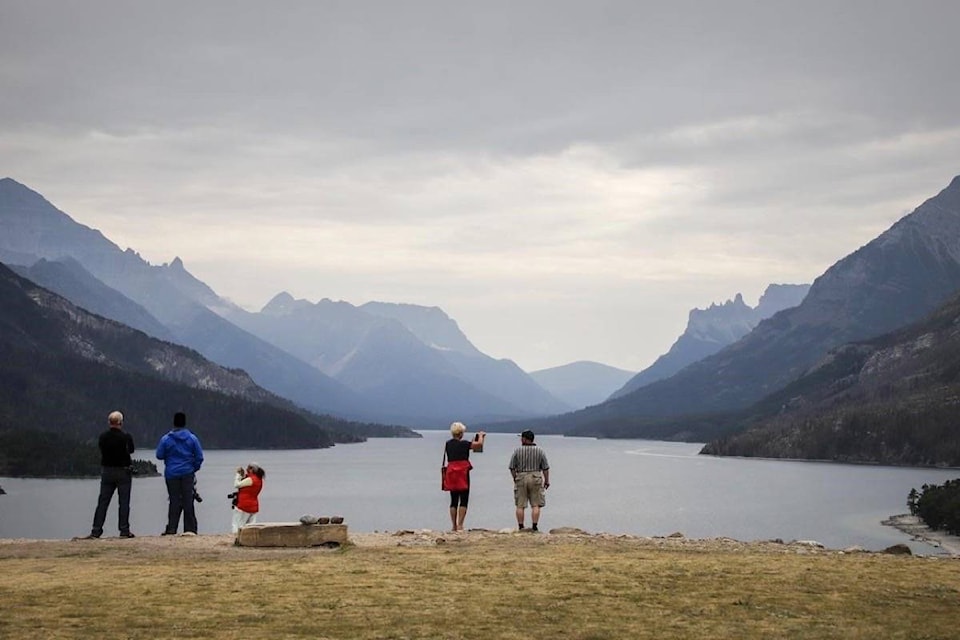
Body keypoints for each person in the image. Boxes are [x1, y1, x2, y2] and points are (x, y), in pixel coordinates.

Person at [83, 411, 135, 539]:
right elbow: (132, 450)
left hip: (107, 471)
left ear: (109, 422)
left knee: (103, 502)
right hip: (123, 471)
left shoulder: (103, 437)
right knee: (123, 502)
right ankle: (124, 530)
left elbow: (101, 448)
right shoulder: (126, 437)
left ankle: (96, 530)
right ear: (121, 423)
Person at [156, 411, 204, 535]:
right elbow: (199, 457)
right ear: (184, 423)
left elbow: (159, 455)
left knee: (174, 501)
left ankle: (172, 528)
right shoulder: (192, 438)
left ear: (174, 423)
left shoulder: (166, 439)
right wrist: (194, 468)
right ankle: (190, 529)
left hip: (171, 474)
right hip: (187, 473)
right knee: (188, 501)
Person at [443, 421, 485, 532]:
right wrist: (480, 436)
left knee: (453, 500)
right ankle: (460, 524)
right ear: (461, 433)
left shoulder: (448, 444)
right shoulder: (465, 444)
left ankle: (453, 525)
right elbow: (479, 445)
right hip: (463, 473)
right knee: (464, 499)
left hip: (451, 472)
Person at [508, 429, 550, 532]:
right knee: (536, 504)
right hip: (535, 476)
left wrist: (515, 478)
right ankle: (534, 526)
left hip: (521, 477)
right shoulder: (540, 451)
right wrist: (547, 480)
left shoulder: (517, 451)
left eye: (522, 438)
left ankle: (521, 526)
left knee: (520, 504)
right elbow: (545, 468)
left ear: (525, 439)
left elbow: (512, 467)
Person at [232, 463, 266, 534]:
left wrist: (238, 475)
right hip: (253, 505)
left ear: (252, 469)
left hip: (243, 505)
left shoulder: (251, 479)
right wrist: (243, 475)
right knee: (251, 527)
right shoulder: (259, 479)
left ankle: (236, 538)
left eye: (248, 468)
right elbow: (247, 481)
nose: (246, 470)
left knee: (237, 525)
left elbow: (237, 484)